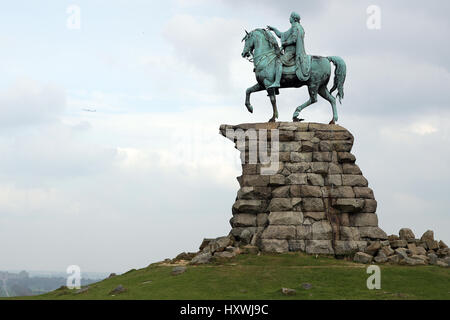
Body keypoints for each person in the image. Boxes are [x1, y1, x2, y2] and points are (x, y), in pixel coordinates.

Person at [267, 11, 311, 89]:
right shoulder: (296, 27)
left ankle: (277, 82)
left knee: (279, 61)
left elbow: (294, 40)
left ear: (293, 18)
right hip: (290, 51)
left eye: (290, 17)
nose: (289, 18)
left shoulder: (295, 27)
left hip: (291, 52)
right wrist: (274, 29)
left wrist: (285, 43)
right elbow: (282, 35)